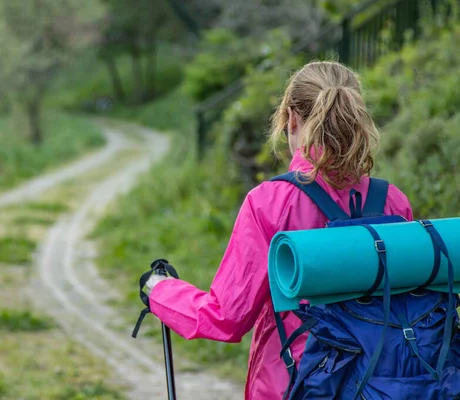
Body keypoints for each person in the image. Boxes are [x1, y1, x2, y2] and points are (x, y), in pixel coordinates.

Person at [145, 61, 414, 400]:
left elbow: (226, 317)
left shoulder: (269, 203)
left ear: (291, 119)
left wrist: (160, 292)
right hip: (387, 386)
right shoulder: (392, 201)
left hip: (296, 386)